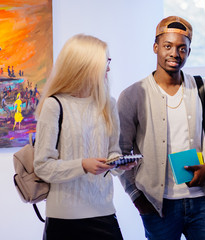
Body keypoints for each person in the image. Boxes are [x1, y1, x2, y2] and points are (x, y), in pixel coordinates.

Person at [117, 16, 205, 240]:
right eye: (167, 46)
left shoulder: (202, 88)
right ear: (155, 47)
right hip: (158, 206)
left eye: (182, 48)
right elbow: (120, 152)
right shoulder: (133, 95)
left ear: (188, 51)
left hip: (203, 202)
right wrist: (137, 197)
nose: (175, 54)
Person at [33, 34, 136, 240]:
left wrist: (117, 164)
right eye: (105, 62)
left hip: (103, 213)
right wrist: (82, 165)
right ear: (85, 65)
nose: (108, 68)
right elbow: (43, 167)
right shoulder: (55, 105)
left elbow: (112, 152)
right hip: (64, 219)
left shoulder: (109, 104)